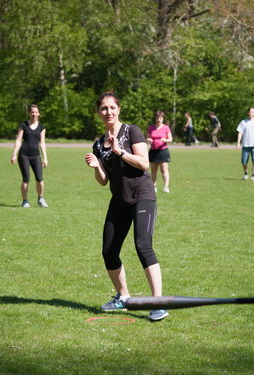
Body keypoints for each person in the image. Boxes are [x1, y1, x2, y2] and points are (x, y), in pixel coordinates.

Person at [84, 91, 168, 322]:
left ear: (118, 109)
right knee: (109, 251)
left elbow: (143, 163)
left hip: (142, 196)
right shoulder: (99, 144)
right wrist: (95, 165)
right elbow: (103, 181)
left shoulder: (132, 131)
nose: (108, 112)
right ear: (99, 113)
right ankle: (123, 298)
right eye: (103, 108)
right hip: (119, 200)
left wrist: (118, 151)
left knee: (143, 245)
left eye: (112, 107)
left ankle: (157, 303)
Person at [11, 104, 49, 208]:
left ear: (39, 113)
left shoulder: (42, 127)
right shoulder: (24, 125)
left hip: (36, 155)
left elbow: (42, 143)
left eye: (36, 112)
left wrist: (45, 158)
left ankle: (40, 199)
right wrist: (14, 154)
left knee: (39, 178)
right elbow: (19, 140)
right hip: (24, 155)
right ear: (29, 113)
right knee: (26, 179)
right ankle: (25, 201)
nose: (34, 114)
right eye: (32, 112)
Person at [147, 111, 173, 193]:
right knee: (153, 170)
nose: (159, 120)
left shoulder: (166, 128)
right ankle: (153, 186)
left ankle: (166, 187)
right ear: (155, 119)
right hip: (153, 151)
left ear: (163, 119)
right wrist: (149, 140)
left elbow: (170, 139)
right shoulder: (151, 127)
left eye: (160, 118)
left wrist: (165, 140)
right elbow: (148, 138)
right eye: (157, 118)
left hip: (163, 151)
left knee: (164, 169)